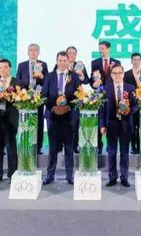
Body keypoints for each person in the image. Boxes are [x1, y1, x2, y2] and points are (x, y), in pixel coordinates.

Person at [43, 51, 80, 185]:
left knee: (69, 148)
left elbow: (78, 95)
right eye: (60, 60)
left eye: (65, 60)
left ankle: (69, 176)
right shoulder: (49, 76)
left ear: (68, 61)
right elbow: (44, 95)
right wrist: (53, 107)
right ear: (56, 61)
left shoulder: (74, 76)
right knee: (53, 148)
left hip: (69, 116)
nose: (63, 63)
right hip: (53, 116)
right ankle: (50, 175)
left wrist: (68, 106)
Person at [100, 64, 137, 187]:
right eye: (115, 73)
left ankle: (124, 177)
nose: (117, 75)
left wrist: (129, 110)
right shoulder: (106, 89)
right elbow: (102, 109)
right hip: (111, 124)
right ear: (111, 75)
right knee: (112, 152)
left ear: (123, 74)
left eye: (120, 73)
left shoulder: (130, 88)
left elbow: (136, 105)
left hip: (126, 124)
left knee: (124, 152)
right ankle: (112, 177)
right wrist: (102, 125)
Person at [0, 59, 19, 183]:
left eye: (5, 67)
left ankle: (12, 174)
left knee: (11, 147)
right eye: (0, 68)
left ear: (10, 68)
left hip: (10, 119)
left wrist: (9, 97)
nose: (2, 70)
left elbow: (20, 100)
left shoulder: (16, 82)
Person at [16, 43, 50, 155]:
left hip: (38, 97)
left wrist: (42, 76)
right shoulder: (22, 65)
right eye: (31, 50)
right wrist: (25, 87)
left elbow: (48, 81)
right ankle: (25, 144)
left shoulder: (43, 65)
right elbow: (17, 81)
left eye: (35, 50)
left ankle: (38, 146)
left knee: (39, 121)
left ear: (38, 52)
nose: (33, 52)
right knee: (25, 121)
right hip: (25, 97)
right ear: (27, 52)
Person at [91, 41, 120, 154]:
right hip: (99, 94)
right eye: (99, 49)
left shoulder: (116, 62)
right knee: (99, 118)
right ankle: (99, 145)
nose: (100, 51)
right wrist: (94, 84)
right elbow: (92, 80)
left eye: (102, 48)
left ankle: (110, 144)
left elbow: (119, 78)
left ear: (108, 49)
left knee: (110, 118)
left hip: (112, 94)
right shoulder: (95, 62)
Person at [124, 52, 141, 154]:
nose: (136, 62)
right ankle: (133, 146)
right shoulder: (126, 74)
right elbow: (125, 89)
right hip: (131, 104)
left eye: (138, 60)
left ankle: (140, 145)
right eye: (134, 60)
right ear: (131, 61)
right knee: (132, 126)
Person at [65, 46, 89, 154]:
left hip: (77, 98)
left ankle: (75, 145)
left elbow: (86, 81)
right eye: (69, 53)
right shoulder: (61, 64)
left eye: (73, 53)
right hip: (63, 98)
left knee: (75, 123)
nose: (71, 55)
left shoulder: (80, 65)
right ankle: (63, 145)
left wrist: (82, 76)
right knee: (63, 123)